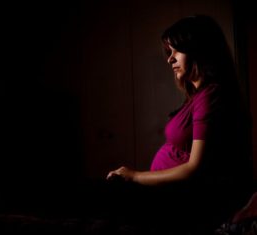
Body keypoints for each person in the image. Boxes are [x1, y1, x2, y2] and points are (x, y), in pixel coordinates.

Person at [106, 15, 253, 233]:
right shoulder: (199, 96)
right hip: (172, 197)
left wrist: (135, 176)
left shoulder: (210, 95)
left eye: (177, 51)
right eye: (169, 52)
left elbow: (194, 168)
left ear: (198, 51)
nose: (169, 59)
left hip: (183, 201)